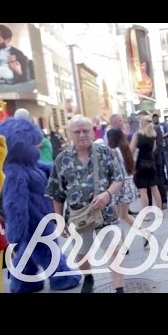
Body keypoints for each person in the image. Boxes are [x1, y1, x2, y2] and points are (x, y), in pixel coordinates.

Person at [46, 115, 125, 293]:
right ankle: (88, 277)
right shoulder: (61, 159)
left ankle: (119, 289)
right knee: (82, 253)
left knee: (113, 251)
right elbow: (56, 193)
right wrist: (59, 219)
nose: (82, 135)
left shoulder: (106, 153)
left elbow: (118, 179)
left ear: (92, 131)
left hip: (106, 213)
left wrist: (107, 193)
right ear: (69, 135)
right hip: (78, 215)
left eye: (85, 130)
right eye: (77, 132)